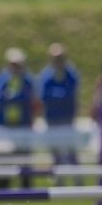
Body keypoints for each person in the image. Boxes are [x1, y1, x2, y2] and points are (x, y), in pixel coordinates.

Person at [37, 43, 80, 183]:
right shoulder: (46, 74)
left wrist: (56, 95)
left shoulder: (71, 73)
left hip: (67, 118)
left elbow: (70, 93)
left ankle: (77, 178)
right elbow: (44, 95)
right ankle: (59, 179)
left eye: (60, 57)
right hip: (52, 119)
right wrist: (59, 95)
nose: (58, 60)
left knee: (71, 150)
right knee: (55, 151)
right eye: (55, 58)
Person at [0, 48, 35, 188]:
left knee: (24, 156)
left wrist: (11, 97)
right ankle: (3, 185)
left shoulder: (27, 80)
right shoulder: (3, 78)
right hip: (6, 125)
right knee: (4, 156)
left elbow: (27, 97)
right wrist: (14, 98)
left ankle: (26, 185)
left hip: (22, 124)